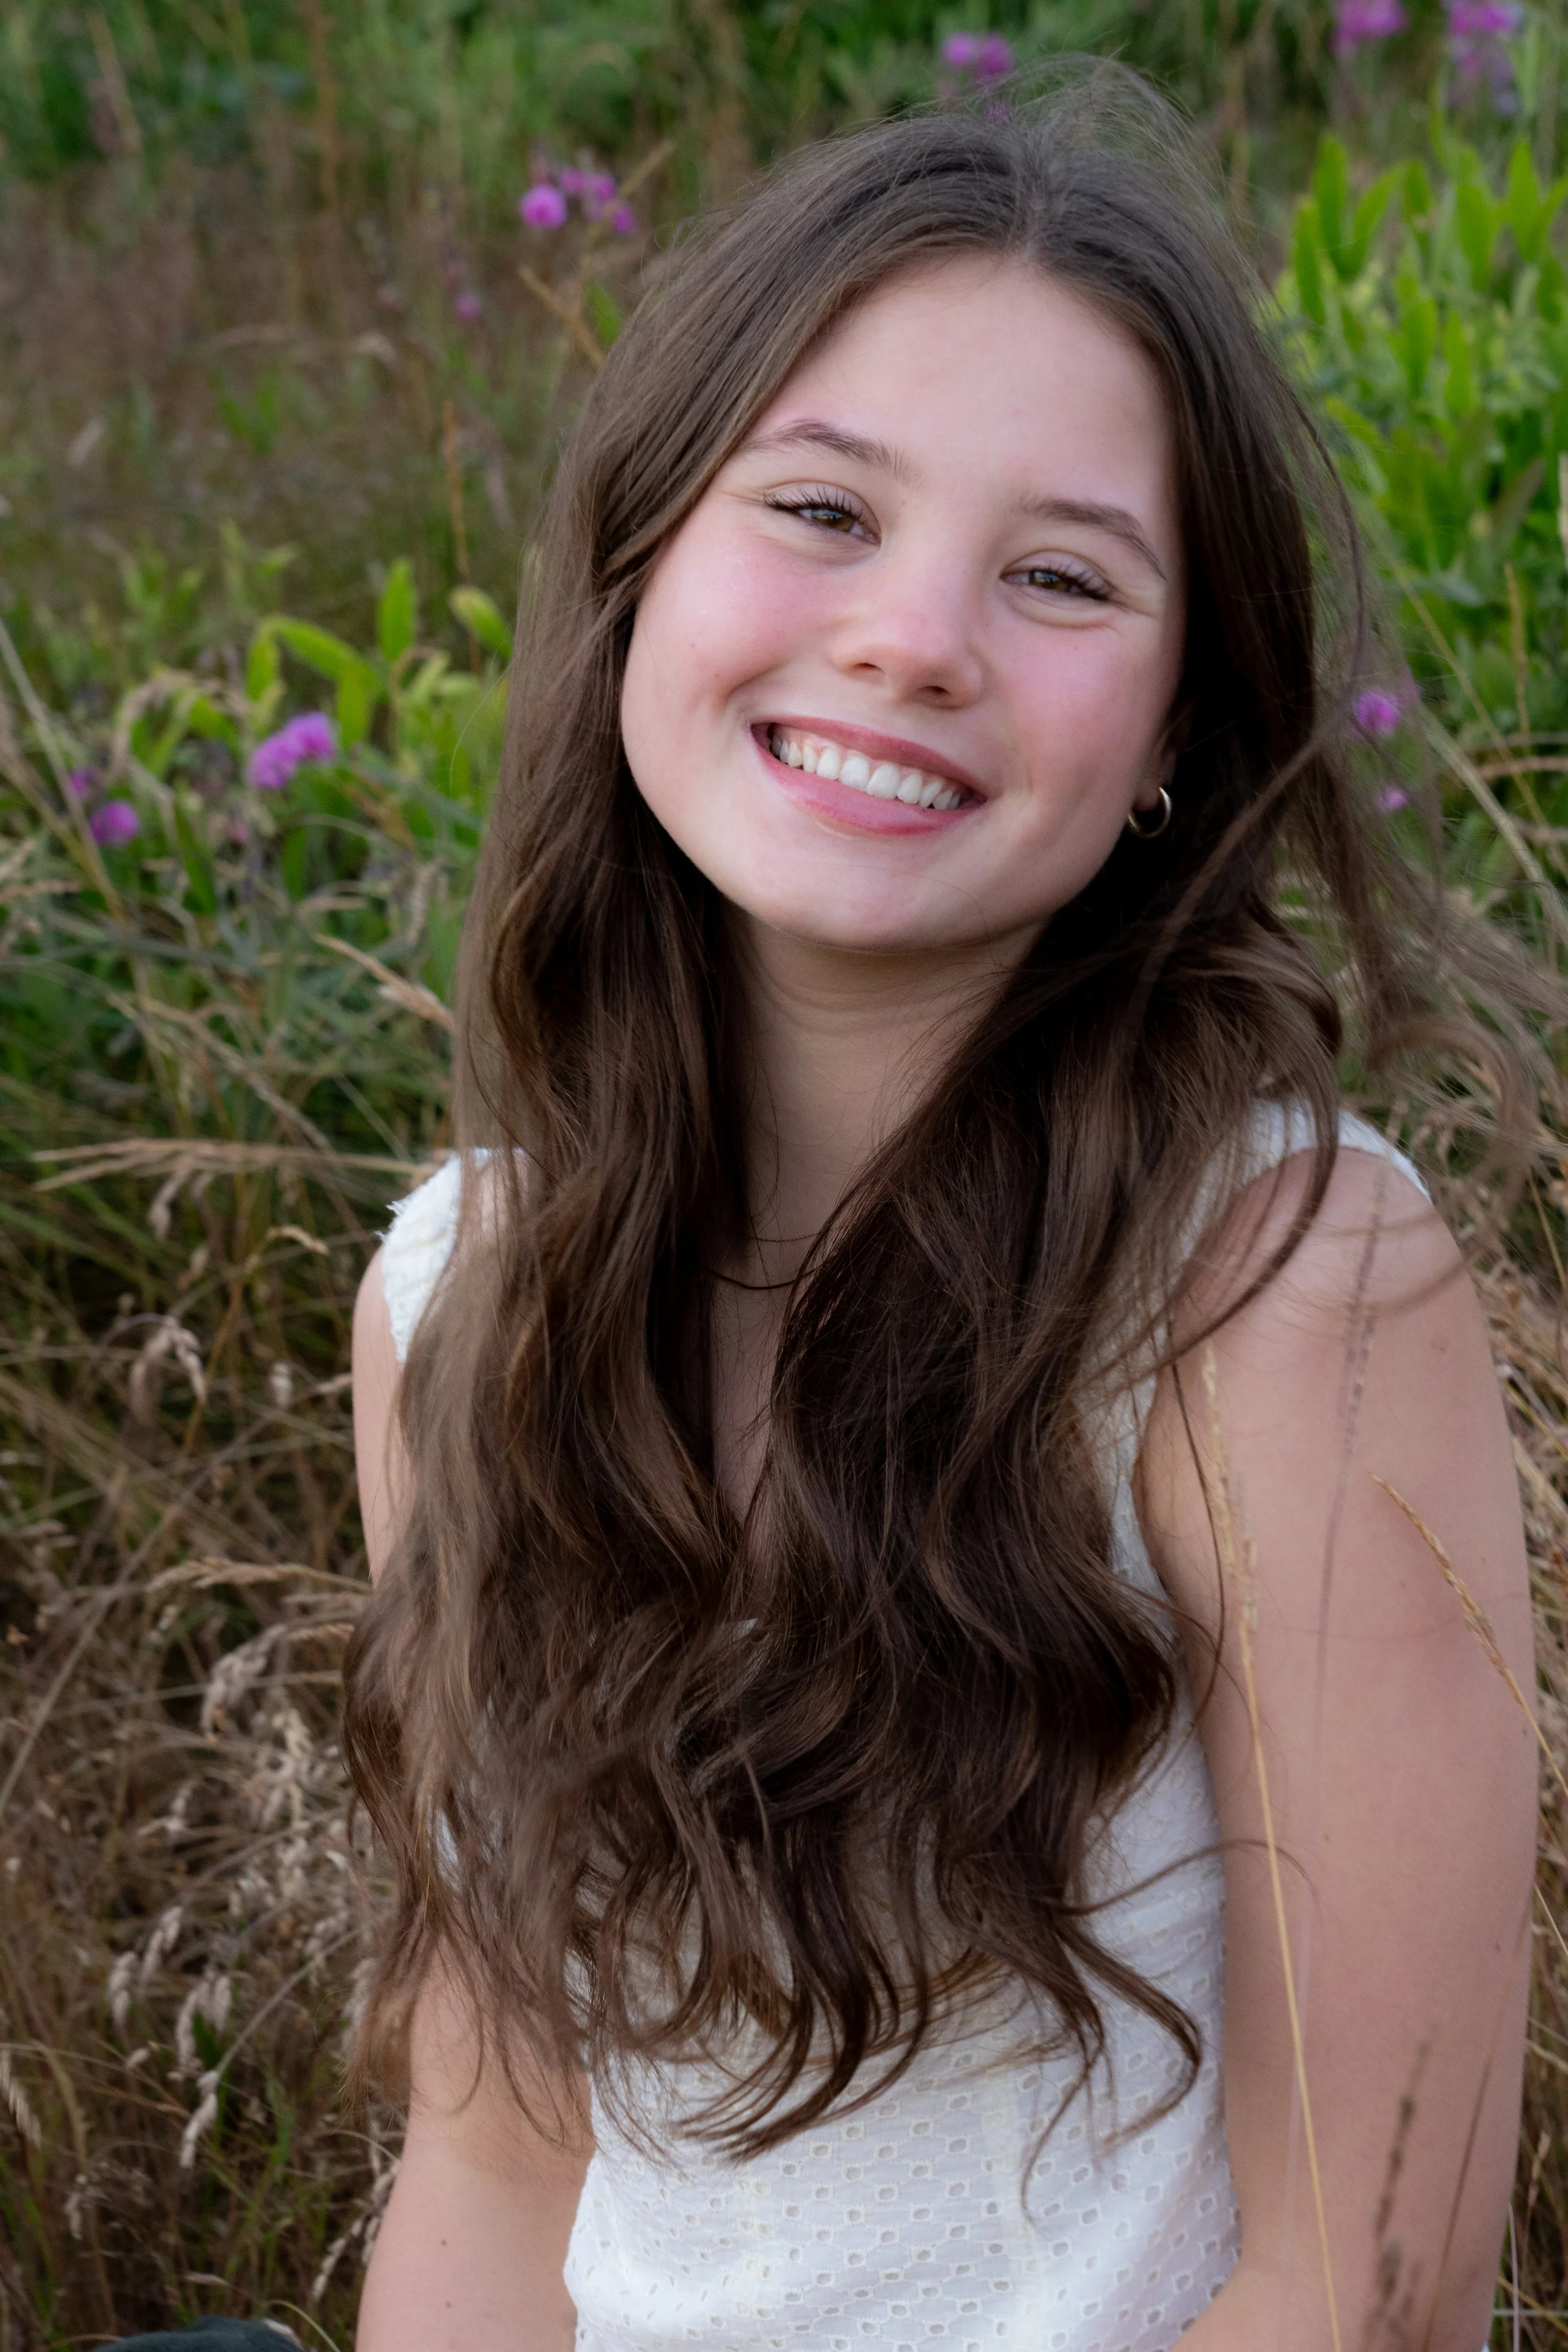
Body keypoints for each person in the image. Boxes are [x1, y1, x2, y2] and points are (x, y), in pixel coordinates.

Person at [338, 69, 1542, 2352]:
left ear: (1179, 718)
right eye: (817, 509)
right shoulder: (453, 1298)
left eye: (1060, 576)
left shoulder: (1274, 1287)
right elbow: (495, 2171)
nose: (910, 638)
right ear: (640, 560)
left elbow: (1368, 2286)